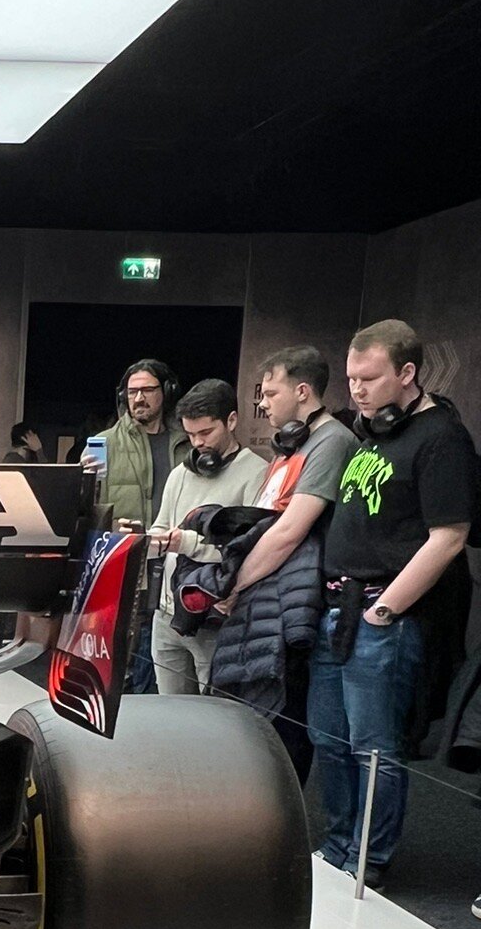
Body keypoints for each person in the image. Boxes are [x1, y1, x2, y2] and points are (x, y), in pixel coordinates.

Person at [307, 319, 477, 887]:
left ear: (407, 373)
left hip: (383, 615)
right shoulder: (374, 432)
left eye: (370, 378)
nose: (356, 389)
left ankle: (367, 861)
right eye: (352, 377)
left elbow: (449, 537)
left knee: (372, 747)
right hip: (337, 608)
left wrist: (386, 612)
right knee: (328, 739)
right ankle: (338, 847)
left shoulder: (441, 437)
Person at [219, 347, 358, 778]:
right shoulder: (291, 444)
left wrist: (233, 584)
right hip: (269, 598)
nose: (262, 403)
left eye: (270, 393)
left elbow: (289, 531)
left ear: (302, 392)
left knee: (287, 726)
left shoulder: (331, 441)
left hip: (298, 603)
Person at [148, 379, 265, 696]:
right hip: (167, 613)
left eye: (206, 433)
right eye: (190, 435)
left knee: (214, 711)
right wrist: (145, 539)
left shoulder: (257, 473)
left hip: (216, 618)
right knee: (169, 710)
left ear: (231, 420)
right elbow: (161, 526)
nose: (198, 443)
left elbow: (249, 550)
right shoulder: (181, 473)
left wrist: (185, 543)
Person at [84, 359, 187, 691]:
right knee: (125, 660)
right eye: (132, 392)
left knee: (170, 661)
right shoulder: (104, 444)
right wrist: (85, 482)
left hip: (178, 561)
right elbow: (85, 510)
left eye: (147, 390)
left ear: (166, 392)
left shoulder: (188, 443)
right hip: (127, 565)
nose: (139, 398)